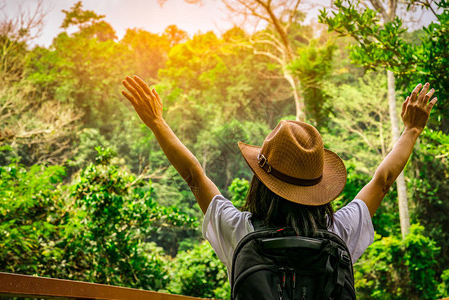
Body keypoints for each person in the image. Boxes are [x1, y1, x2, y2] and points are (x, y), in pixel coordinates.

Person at [122, 76, 437, 283]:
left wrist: (156, 121)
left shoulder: (239, 230)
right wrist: (412, 129)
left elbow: (194, 176)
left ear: (260, 181)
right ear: (318, 187)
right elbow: (382, 181)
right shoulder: (339, 231)